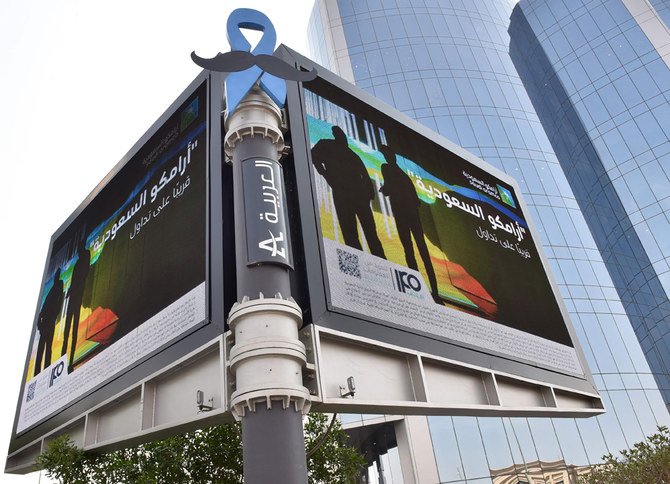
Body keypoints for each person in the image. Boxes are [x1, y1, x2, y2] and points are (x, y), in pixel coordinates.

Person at [311, 125, 385, 258]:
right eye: (339, 133)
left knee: (370, 232)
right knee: (349, 233)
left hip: (360, 196)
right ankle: (356, 271)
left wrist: (369, 193)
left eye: (343, 135)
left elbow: (365, 174)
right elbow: (312, 155)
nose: (342, 137)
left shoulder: (352, 154)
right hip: (341, 194)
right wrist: (325, 174)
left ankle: (381, 264)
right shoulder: (326, 145)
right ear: (335, 134)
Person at [379, 145, 441, 303]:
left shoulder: (394, 171)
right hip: (405, 215)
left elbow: (391, 188)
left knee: (419, 250)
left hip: (408, 215)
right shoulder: (392, 170)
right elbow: (394, 189)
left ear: (393, 156)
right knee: (411, 250)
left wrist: (385, 189)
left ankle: (433, 291)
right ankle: (420, 289)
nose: (388, 157)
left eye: (389, 154)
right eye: (386, 154)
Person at [62, 240, 91, 372]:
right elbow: (75, 278)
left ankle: (71, 360)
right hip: (72, 297)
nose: (78, 251)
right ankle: (62, 360)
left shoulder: (85, 255)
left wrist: (75, 289)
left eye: (79, 248)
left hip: (78, 296)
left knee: (73, 330)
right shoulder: (79, 260)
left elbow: (84, 274)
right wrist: (69, 291)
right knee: (67, 329)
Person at [34, 268, 63, 376]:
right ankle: (37, 374)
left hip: (49, 322)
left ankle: (47, 370)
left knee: (48, 348)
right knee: (42, 349)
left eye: (57, 276)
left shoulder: (58, 287)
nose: (57, 278)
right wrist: (39, 326)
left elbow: (58, 304)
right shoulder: (52, 292)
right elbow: (42, 311)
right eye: (56, 276)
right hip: (45, 323)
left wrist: (54, 317)